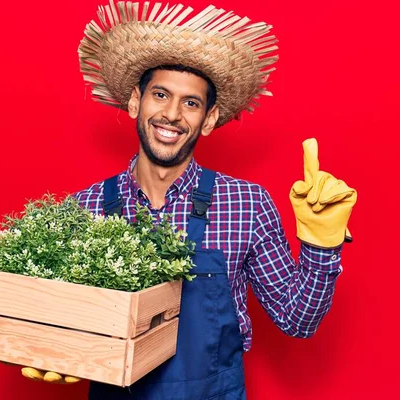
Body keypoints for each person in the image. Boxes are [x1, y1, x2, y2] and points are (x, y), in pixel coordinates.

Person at [19, 1, 357, 398]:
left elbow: (297, 320)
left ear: (209, 119)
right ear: (134, 102)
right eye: (160, 94)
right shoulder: (84, 210)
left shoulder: (246, 205)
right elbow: (59, 323)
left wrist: (321, 244)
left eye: (191, 103)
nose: (172, 114)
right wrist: (49, 347)